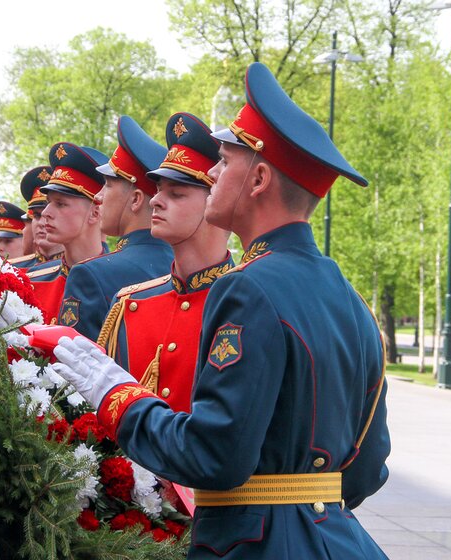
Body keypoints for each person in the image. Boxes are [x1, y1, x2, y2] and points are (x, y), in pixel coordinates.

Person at [49, 62, 390, 559]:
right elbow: (368, 464)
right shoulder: (349, 297)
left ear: (257, 179)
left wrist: (118, 395)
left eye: (224, 161)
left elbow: (214, 455)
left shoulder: (248, 288)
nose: (210, 171)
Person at [97, 112, 233, 413]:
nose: (156, 201)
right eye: (158, 190)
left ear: (214, 200)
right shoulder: (128, 305)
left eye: (177, 193)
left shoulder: (244, 305)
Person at [57, 116, 174, 340]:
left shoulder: (89, 274)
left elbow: (73, 370)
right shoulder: (183, 267)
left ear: (136, 200)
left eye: (108, 185)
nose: (99, 197)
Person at [27, 142, 109, 321]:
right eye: (49, 202)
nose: (47, 213)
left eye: (61, 204)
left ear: (95, 213)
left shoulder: (117, 281)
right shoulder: (33, 282)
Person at [10, 166, 64, 270]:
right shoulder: (14, 270)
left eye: (49, 214)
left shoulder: (79, 268)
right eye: (37, 216)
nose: (41, 223)